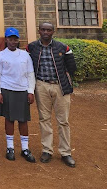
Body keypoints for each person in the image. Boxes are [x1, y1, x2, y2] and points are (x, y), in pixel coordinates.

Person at [27, 22, 77, 167]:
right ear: (39, 31)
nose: (45, 32)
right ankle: (47, 150)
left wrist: (66, 80)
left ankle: (65, 152)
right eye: (43, 29)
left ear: (53, 32)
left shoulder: (63, 48)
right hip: (41, 85)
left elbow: (72, 67)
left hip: (60, 86)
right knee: (44, 118)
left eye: (48, 30)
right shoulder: (32, 48)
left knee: (63, 121)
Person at [0, 27, 36, 163]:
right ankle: (10, 147)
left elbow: (30, 74)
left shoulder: (25, 55)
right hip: (7, 90)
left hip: (22, 90)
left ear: (18, 40)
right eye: (10, 39)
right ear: (6, 40)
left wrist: (31, 91)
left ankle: (25, 148)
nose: (13, 42)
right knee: (9, 119)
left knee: (23, 120)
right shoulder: (0, 55)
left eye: (15, 39)